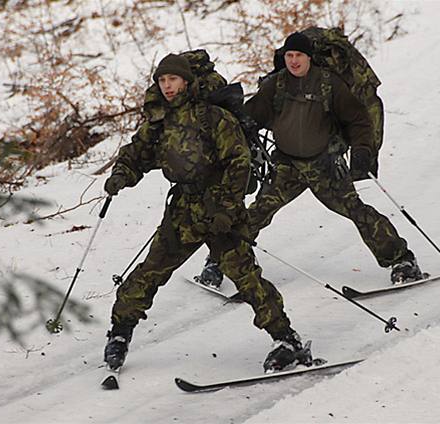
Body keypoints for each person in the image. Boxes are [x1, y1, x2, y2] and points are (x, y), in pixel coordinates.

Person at [102, 53, 311, 373]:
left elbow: (238, 162)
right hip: (182, 211)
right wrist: (122, 174)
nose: (167, 86)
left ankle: (286, 339)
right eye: (162, 80)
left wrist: (228, 208)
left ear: (186, 81)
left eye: (172, 79)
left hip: (218, 208)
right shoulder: (160, 121)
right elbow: (137, 153)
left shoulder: (213, 117)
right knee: (150, 272)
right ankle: (119, 334)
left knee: (245, 276)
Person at [199, 32, 424, 288]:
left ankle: (402, 260)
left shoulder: (329, 84)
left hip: (324, 165)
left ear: (309, 58)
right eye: (289, 56)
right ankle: (218, 261)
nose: (293, 61)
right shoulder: (276, 85)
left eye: (299, 56)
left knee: (356, 210)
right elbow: (252, 117)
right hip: (287, 166)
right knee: (257, 212)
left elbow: (358, 120)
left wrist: (363, 150)